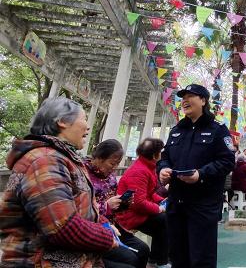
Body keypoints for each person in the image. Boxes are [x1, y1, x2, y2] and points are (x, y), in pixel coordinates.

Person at [0, 97, 118, 266]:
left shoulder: (64, 158)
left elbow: (80, 207)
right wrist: (107, 237)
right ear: (62, 121)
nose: (88, 125)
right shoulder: (45, 161)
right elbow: (62, 228)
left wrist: (103, 223)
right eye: (84, 118)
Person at [158, 84, 234, 268]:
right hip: (176, 204)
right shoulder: (176, 130)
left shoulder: (218, 129)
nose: (184, 100)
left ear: (203, 100)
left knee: (202, 259)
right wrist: (162, 170)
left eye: (190, 96)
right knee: (177, 256)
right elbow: (164, 157)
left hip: (203, 206)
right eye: (182, 97)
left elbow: (227, 162)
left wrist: (200, 174)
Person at [85, 139, 150, 268]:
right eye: (112, 163)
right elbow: (82, 209)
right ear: (99, 158)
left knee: (143, 249)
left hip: (114, 226)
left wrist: (123, 204)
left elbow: (114, 206)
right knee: (130, 259)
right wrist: (106, 206)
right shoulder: (83, 174)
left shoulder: (111, 177)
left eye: (117, 164)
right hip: (95, 228)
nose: (114, 168)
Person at [116, 138, 169, 268]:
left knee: (165, 222)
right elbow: (139, 203)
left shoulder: (147, 166)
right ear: (155, 155)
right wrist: (159, 209)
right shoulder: (140, 171)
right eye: (160, 151)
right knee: (166, 221)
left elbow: (149, 193)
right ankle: (159, 261)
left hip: (138, 212)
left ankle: (156, 260)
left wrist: (161, 201)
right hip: (130, 215)